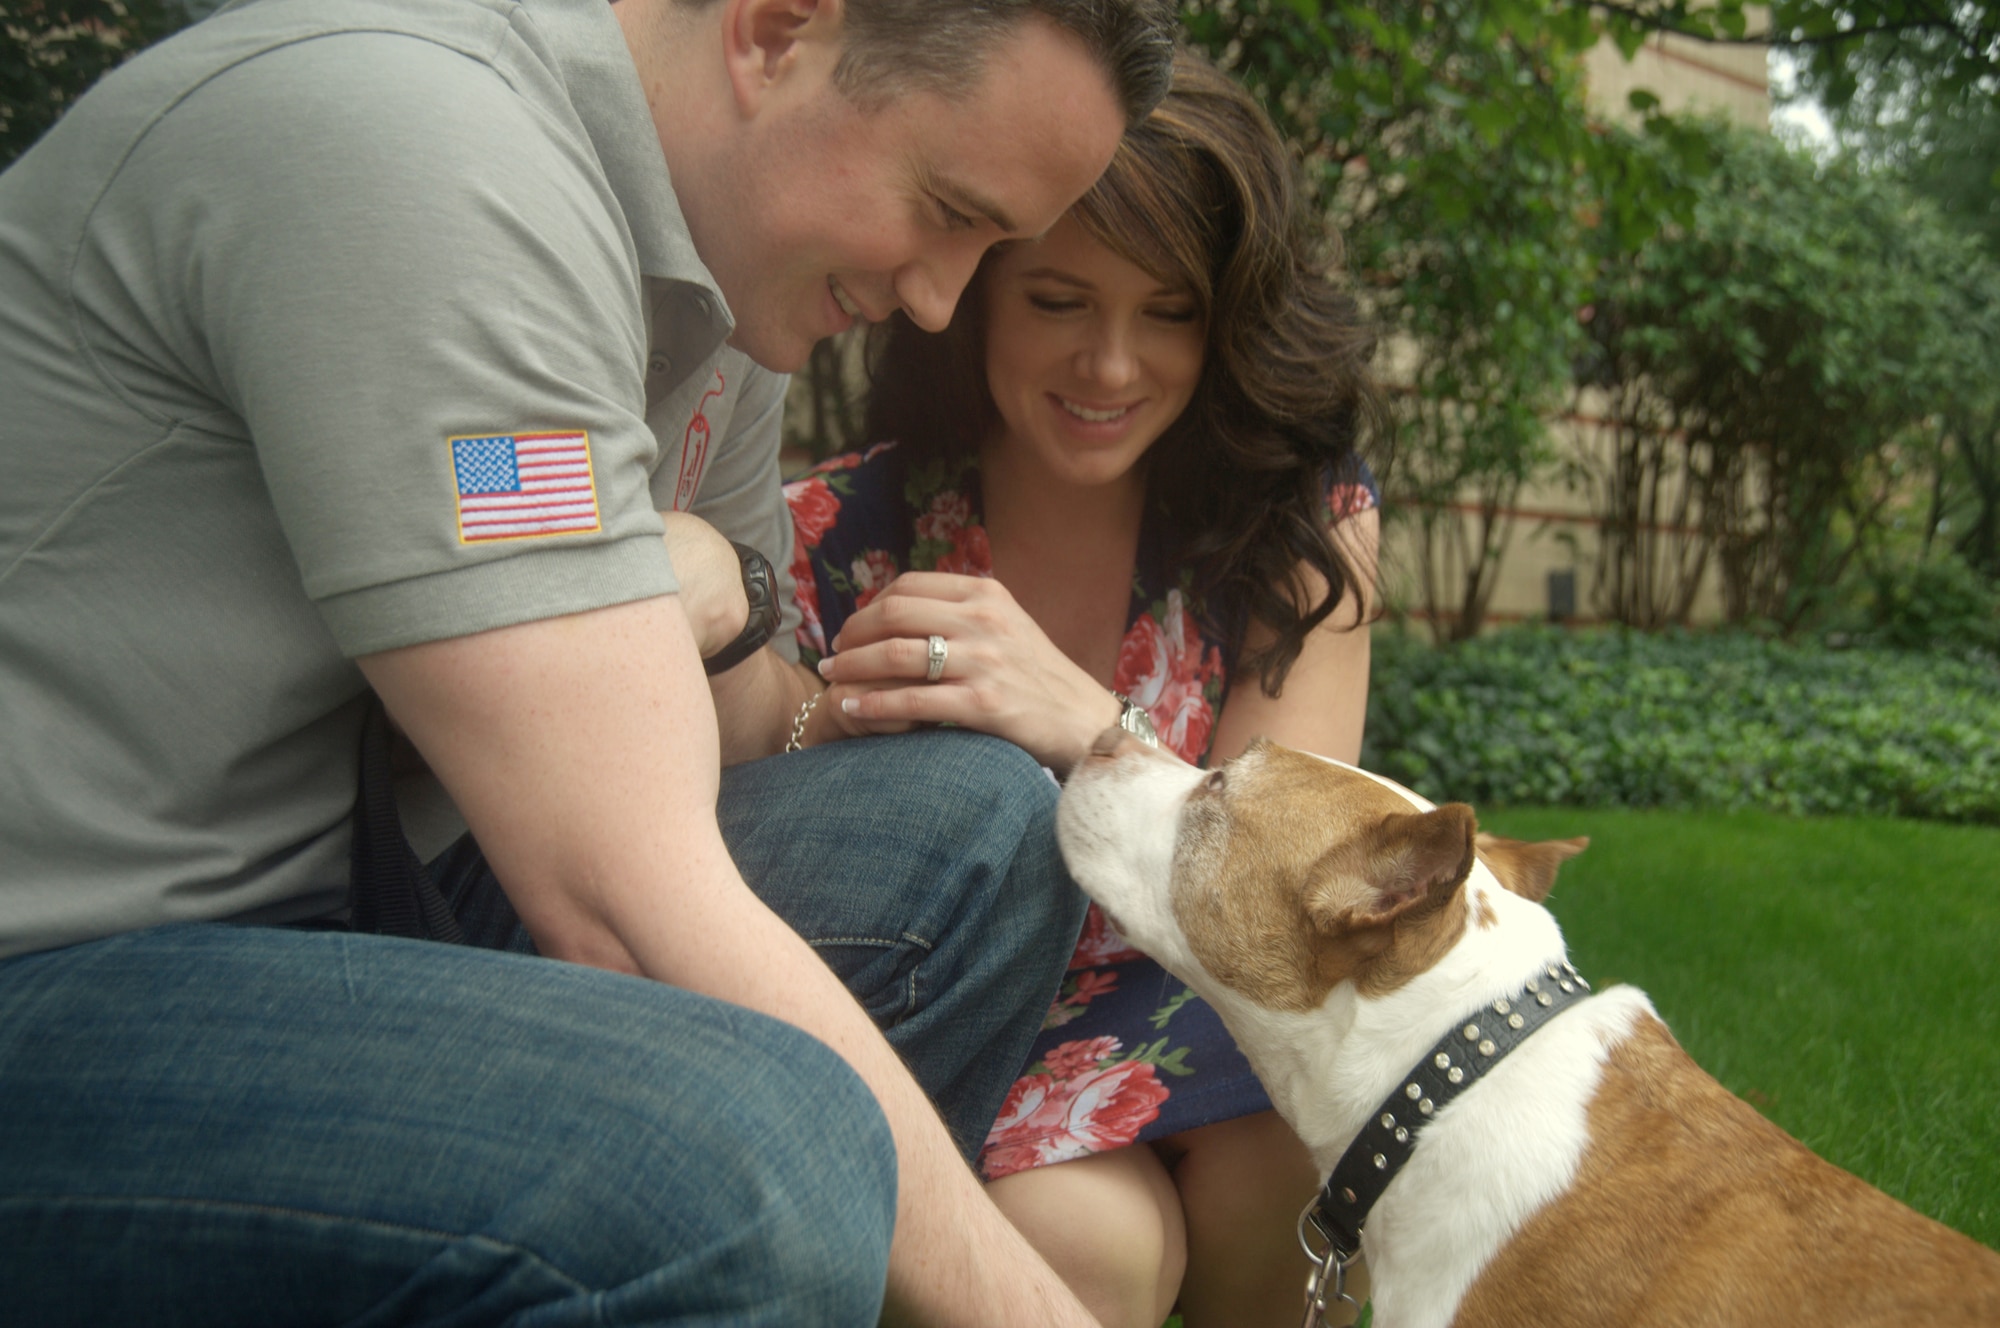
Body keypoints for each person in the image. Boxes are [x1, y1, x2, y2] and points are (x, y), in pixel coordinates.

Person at [0, 0, 1179, 1323]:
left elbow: (721, 713)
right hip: (71, 965)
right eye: (947, 208)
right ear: (778, 28)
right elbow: (620, 901)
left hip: (375, 898)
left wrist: (716, 594)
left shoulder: (722, 294)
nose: (938, 298)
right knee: (736, 1164)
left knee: (980, 828)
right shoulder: (422, 156)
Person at [781, 51, 1385, 1327]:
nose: (1110, 365)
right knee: (1089, 1246)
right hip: (968, 1010)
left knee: (1289, 1174)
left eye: (1167, 311)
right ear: (977, 284)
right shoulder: (833, 530)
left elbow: (1284, 882)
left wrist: (1085, 724)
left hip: (1215, 997)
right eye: (1058, 299)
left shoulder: (1297, 523)